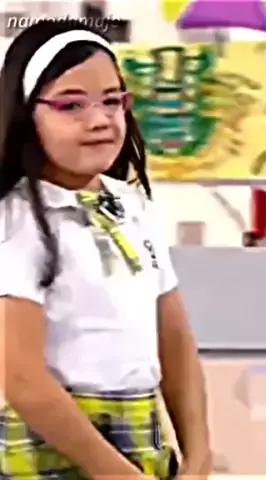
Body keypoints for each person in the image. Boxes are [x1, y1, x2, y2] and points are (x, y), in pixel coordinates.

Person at [0, 19, 211, 479]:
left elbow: (175, 345)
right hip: (52, 452)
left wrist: (198, 457)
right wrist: (116, 473)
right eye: (71, 105)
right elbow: (21, 379)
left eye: (112, 101)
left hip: (140, 443)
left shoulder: (132, 205)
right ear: (25, 114)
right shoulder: (17, 220)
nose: (99, 120)